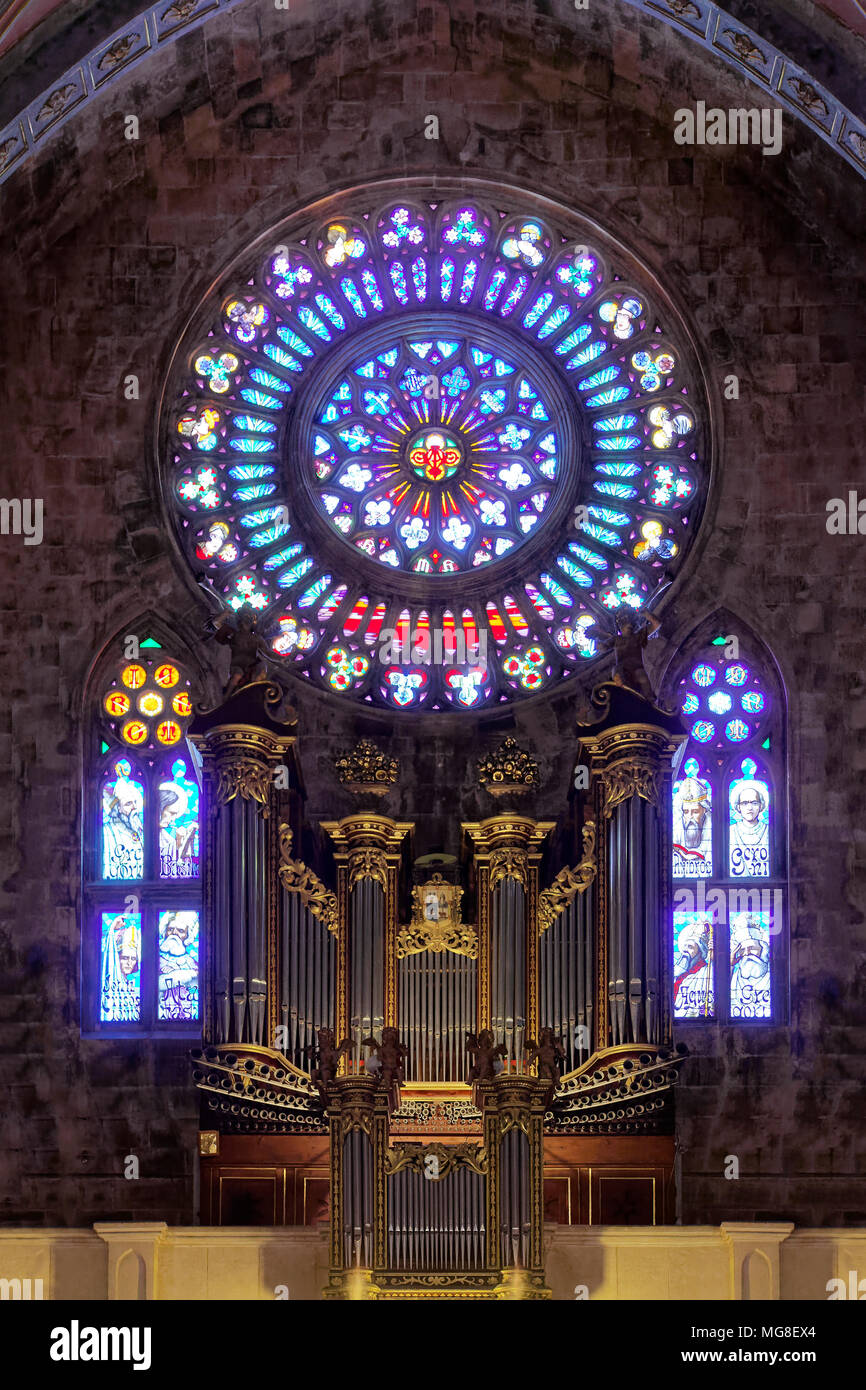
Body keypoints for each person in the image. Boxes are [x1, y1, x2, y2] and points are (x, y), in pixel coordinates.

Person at [673, 775, 712, 877]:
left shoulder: (715, 836)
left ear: (704, 811)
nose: (690, 817)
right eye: (686, 812)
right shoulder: (675, 833)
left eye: (695, 812)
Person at [729, 781, 770, 876]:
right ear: (738, 807)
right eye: (744, 803)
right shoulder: (730, 831)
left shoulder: (768, 831)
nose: (749, 807)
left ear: (761, 806)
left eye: (754, 803)